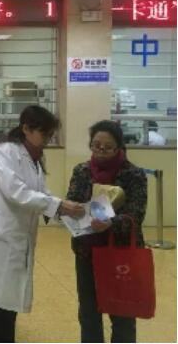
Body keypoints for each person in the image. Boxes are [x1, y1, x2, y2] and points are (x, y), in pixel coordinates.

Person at [0, 105, 84, 343]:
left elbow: (40, 192)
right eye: (44, 134)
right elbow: (16, 192)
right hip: (0, 237)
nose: (48, 139)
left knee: (7, 300)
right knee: (4, 300)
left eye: (51, 135)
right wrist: (59, 205)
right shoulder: (4, 153)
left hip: (16, 237)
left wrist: (66, 210)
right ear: (26, 129)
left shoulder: (33, 158)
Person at [66, 120, 148, 343]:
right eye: (96, 145)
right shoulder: (82, 171)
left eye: (108, 147)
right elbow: (73, 201)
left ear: (119, 147)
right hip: (87, 251)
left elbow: (136, 215)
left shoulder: (133, 174)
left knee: (123, 314)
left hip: (121, 254)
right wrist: (69, 209)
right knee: (89, 312)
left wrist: (111, 222)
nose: (100, 151)